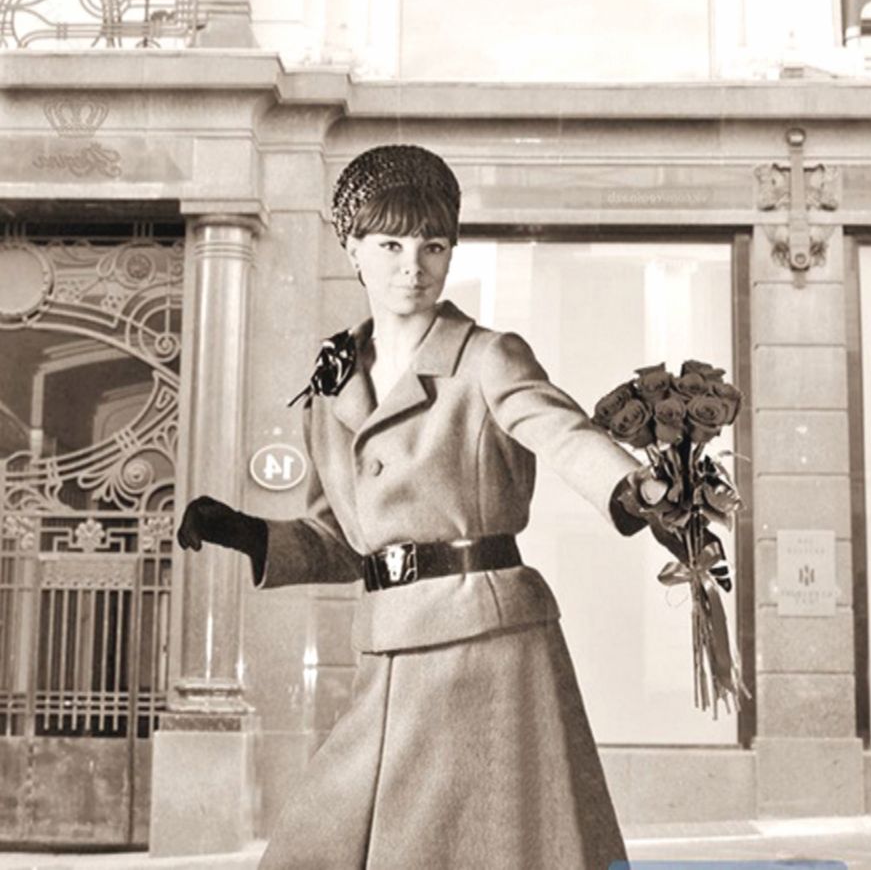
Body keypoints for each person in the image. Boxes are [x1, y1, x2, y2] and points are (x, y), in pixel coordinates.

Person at [177, 144, 673, 870]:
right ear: (352, 248)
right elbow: (343, 539)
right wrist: (249, 533)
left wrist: (633, 487)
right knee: (317, 846)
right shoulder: (331, 381)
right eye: (390, 245)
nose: (413, 265)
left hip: (486, 643)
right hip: (388, 645)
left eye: (432, 245)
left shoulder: (488, 356)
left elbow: (558, 430)